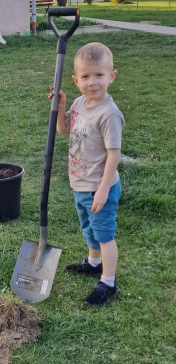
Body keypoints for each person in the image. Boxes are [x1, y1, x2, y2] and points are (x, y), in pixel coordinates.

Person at [53, 42, 124, 306]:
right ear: (76, 80)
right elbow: (63, 130)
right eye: (85, 76)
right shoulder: (79, 103)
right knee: (89, 229)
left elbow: (114, 155)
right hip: (80, 184)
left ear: (111, 77)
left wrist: (104, 189)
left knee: (104, 233)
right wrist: (61, 107)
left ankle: (108, 281)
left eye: (99, 75)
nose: (92, 82)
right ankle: (94, 263)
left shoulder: (109, 114)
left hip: (99, 187)